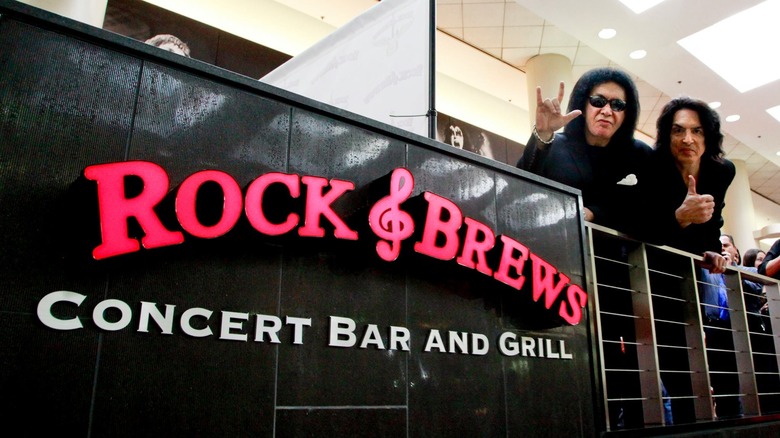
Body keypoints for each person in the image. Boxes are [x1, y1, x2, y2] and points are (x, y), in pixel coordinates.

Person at [517, 67, 652, 230]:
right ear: (584, 105)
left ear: (626, 113)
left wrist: (593, 213)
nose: (607, 111)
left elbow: (648, 210)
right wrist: (543, 135)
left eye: (617, 105)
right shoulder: (553, 145)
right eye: (598, 102)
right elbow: (520, 187)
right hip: (554, 239)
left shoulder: (640, 155)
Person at [639, 96, 734, 275]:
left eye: (697, 131)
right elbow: (642, 228)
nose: (687, 139)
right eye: (678, 130)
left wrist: (712, 250)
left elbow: (713, 220)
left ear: (708, 136)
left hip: (693, 269)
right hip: (650, 265)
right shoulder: (650, 166)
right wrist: (680, 217)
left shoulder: (721, 171)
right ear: (667, 136)